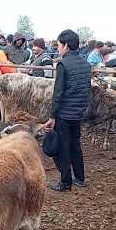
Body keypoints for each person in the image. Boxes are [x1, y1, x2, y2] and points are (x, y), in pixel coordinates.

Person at [44, 29, 91, 192]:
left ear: (66, 45)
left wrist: (52, 116)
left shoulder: (63, 64)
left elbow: (58, 93)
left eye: (58, 46)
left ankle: (65, 182)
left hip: (64, 114)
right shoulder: (86, 64)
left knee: (62, 148)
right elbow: (86, 90)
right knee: (75, 145)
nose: (58, 49)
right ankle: (80, 177)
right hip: (78, 113)